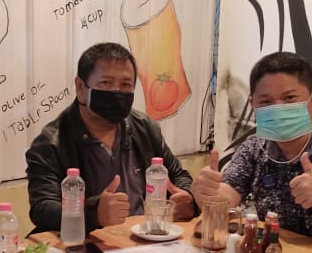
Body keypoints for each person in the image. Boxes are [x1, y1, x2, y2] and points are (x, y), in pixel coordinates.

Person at [190, 52, 312, 247]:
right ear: (253, 104)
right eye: (266, 102)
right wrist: (210, 196)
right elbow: (229, 194)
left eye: (289, 98)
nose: (278, 109)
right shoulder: (255, 147)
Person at [26, 42, 195, 233]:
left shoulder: (145, 128)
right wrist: (93, 213)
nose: (117, 92)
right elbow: (42, 209)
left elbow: (178, 176)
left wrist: (187, 197)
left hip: (146, 238)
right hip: (87, 243)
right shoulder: (50, 143)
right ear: (80, 87)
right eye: (106, 83)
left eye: (126, 85)